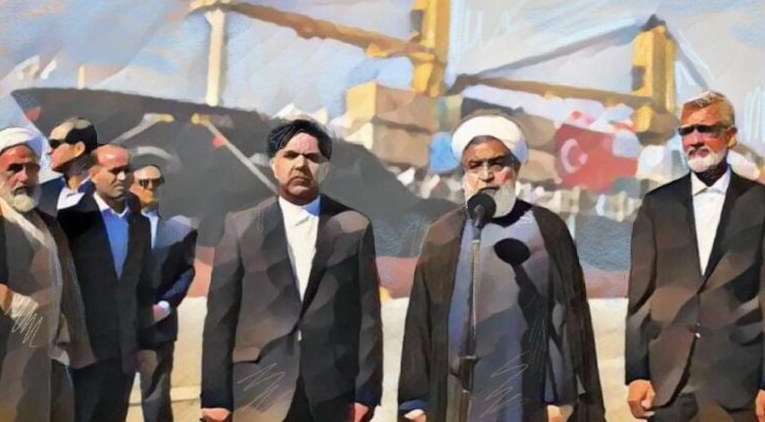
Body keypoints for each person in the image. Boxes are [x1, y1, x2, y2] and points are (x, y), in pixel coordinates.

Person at [398, 112, 605, 422]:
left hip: (526, 401)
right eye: (475, 165)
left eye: (496, 164)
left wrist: (561, 399)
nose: (486, 175)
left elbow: (568, 321)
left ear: (515, 168)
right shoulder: (443, 234)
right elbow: (420, 321)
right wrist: (415, 403)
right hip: (456, 400)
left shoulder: (546, 229)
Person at [201, 118, 383, 422]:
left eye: (312, 157)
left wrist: (365, 393)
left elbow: (368, 317)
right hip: (257, 391)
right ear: (274, 165)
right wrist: (215, 397)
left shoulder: (353, 227)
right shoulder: (241, 227)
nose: (301, 164)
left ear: (326, 168)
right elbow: (220, 318)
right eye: (290, 155)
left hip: (331, 391)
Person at [626, 91, 765, 421]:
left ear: (730, 136)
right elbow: (640, 296)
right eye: (687, 131)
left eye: (706, 129)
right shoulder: (657, 206)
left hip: (738, 384)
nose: (695, 140)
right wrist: (637, 373)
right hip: (667, 384)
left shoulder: (760, 203)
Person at [0, 127, 93, 421]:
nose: (24, 176)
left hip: (51, 355)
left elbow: (67, 284)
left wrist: (74, 341)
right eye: (14, 168)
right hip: (9, 359)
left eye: (32, 168)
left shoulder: (46, 223)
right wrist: (22, 309)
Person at [57, 144, 154, 422]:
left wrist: (146, 343)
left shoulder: (139, 223)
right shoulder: (71, 221)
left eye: (127, 170)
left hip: (123, 352)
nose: (122, 177)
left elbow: (143, 287)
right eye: (114, 171)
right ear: (93, 173)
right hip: (83, 350)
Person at [130, 164, 196, 422]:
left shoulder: (180, 229)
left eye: (156, 182)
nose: (150, 188)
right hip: (115, 324)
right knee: (107, 395)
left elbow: (186, 271)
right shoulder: (113, 223)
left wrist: (165, 306)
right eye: (143, 182)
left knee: (156, 396)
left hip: (157, 324)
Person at [40, 118, 99, 216]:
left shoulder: (105, 188)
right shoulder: (44, 194)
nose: (49, 151)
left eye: (54, 144)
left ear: (78, 148)